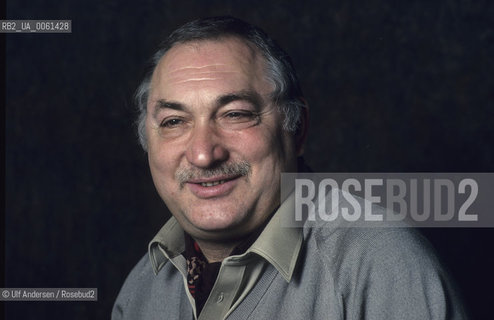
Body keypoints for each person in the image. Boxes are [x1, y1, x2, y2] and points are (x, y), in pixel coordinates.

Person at [112, 16, 467, 320]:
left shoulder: (381, 266)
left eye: (235, 114)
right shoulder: (142, 289)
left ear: (296, 130)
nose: (203, 154)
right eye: (174, 121)